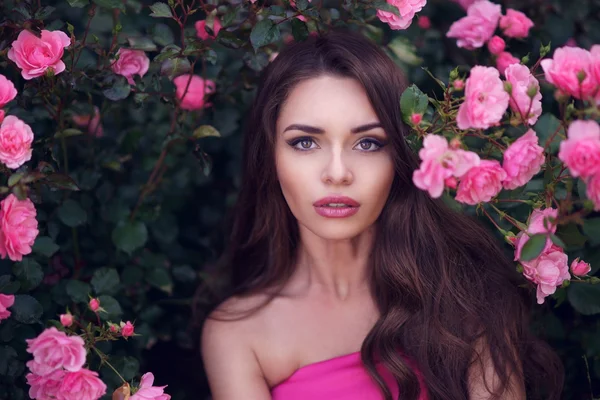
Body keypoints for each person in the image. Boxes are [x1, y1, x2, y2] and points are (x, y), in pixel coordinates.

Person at [198, 29, 563, 400]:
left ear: (399, 159)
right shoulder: (238, 334)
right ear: (270, 156)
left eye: (368, 143)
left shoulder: (465, 297)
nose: (338, 173)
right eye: (304, 142)